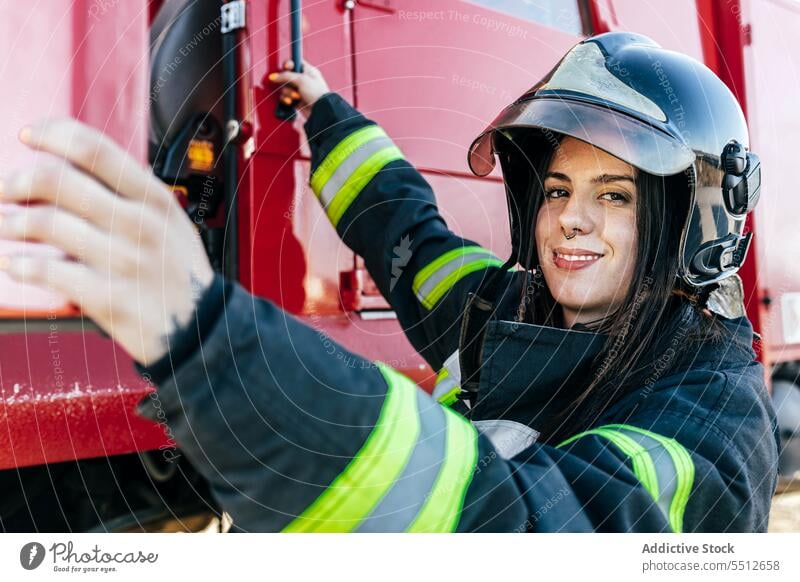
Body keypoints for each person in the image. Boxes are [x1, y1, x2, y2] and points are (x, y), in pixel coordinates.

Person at [0, 32, 778, 532]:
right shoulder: (501, 312)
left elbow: (528, 526)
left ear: (697, 223)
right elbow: (406, 234)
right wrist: (326, 114)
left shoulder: (711, 429)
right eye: (555, 190)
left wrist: (211, 340)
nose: (571, 220)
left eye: (615, 195)